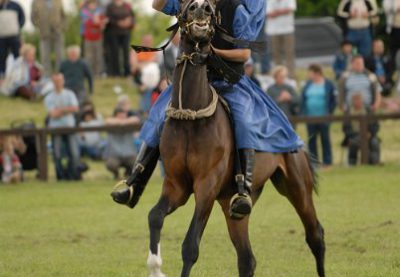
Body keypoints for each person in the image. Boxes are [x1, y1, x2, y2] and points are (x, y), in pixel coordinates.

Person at [111, 0, 303, 218]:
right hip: (194, 82)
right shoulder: (190, 4)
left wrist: (213, 53)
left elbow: (244, 55)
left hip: (229, 81)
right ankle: (135, 183)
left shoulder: (235, 9)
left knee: (244, 122)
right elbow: (157, 5)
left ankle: (243, 189)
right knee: (157, 114)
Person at [339, 56, 382, 165]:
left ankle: (374, 162)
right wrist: (342, 106)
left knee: (373, 140)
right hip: (351, 110)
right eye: (358, 63)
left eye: (361, 63)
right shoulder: (345, 77)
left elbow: (377, 92)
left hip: (367, 109)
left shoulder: (370, 76)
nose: (360, 66)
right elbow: (340, 94)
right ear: (352, 64)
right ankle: (352, 162)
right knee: (354, 140)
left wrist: (375, 105)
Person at [44, 73, 81, 180]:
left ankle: (72, 176)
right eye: (55, 81)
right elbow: (52, 114)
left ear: (63, 81)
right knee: (57, 154)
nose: (58, 83)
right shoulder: (48, 97)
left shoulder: (70, 94)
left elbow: (75, 108)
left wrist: (59, 110)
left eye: (60, 81)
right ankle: (60, 177)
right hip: (55, 129)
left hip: (70, 128)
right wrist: (67, 109)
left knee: (74, 154)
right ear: (52, 82)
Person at [301, 64, 337, 167]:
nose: (308, 75)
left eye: (310, 72)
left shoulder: (328, 84)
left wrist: (330, 112)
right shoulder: (307, 85)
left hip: (324, 117)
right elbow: (303, 99)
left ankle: (327, 163)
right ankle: (314, 163)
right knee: (312, 140)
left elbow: (333, 100)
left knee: (325, 140)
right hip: (310, 118)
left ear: (317, 72)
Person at [104, 105, 140, 179]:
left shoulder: (131, 122)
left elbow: (136, 119)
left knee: (137, 163)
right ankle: (116, 174)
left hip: (129, 154)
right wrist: (122, 123)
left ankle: (128, 172)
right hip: (115, 154)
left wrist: (123, 122)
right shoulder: (111, 122)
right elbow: (107, 121)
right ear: (115, 115)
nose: (122, 116)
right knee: (110, 164)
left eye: (124, 114)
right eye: (120, 114)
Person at [31, 0, 66, 76]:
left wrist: (62, 27)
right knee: (45, 56)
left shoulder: (58, 1)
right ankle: (47, 75)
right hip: (44, 33)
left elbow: (63, 15)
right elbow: (33, 18)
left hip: (58, 32)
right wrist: (40, 25)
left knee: (60, 54)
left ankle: (60, 74)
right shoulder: (36, 2)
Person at [266, 0, 297, 78]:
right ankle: (278, 75)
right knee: (276, 54)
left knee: (289, 53)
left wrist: (276, 12)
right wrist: (283, 11)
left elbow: (290, 10)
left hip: (288, 30)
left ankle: (290, 75)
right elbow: (269, 14)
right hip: (274, 31)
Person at [104, 0, 135, 77]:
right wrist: (118, 22)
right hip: (113, 33)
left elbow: (133, 17)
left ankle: (127, 72)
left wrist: (129, 22)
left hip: (126, 33)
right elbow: (107, 19)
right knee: (115, 53)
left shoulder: (127, 5)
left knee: (126, 52)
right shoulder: (110, 6)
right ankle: (116, 73)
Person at [81, 0, 107, 76]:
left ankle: (98, 73)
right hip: (88, 38)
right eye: (90, 3)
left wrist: (100, 23)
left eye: (94, 3)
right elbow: (87, 22)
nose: (92, 5)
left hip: (98, 37)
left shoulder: (100, 12)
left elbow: (103, 23)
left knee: (98, 56)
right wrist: (96, 22)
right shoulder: (84, 12)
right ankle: (88, 73)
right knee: (89, 56)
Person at [0, 0, 25, 80]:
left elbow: (22, 17)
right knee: (2, 56)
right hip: (1, 36)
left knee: (17, 56)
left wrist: (18, 27)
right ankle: (2, 75)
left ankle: (18, 75)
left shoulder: (15, 5)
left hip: (14, 36)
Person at [383, 0, 400, 74]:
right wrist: (396, 9)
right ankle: (391, 75)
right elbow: (386, 9)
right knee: (392, 53)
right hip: (394, 28)